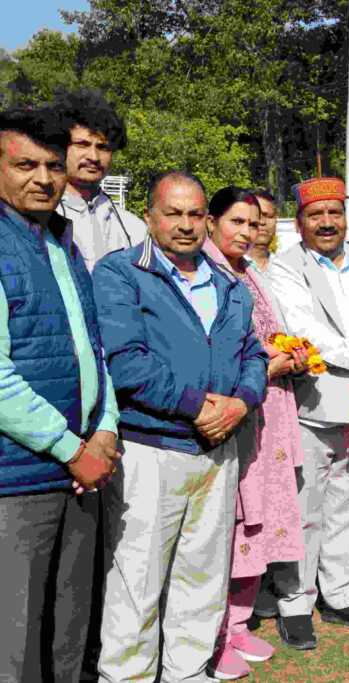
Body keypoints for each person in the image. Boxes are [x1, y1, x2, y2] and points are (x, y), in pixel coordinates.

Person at [93, 171, 268, 682]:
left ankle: (187, 672)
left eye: (195, 214)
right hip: (151, 447)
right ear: (150, 216)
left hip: (218, 449)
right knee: (137, 579)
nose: (185, 224)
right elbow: (126, 362)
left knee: (203, 576)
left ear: (207, 220)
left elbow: (254, 355)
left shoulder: (228, 283)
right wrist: (197, 407)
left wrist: (241, 403)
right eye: (173, 213)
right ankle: (126, 677)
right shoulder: (122, 272)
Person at [0, 106, 119, 682]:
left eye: (53, 165)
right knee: (16, 640)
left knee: (70, 631)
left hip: (79, 469)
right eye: (25, 165)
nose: (43, 179)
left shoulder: (61, 241)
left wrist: (106, 428)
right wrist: (72, 448)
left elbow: (93, 350)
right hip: (20, 476)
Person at [269, 176, 349, 649]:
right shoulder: (286, 267)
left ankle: (341, 595)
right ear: (299, 221)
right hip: (315, 405)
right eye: (316, 215)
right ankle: (295, 602)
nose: (327, 223)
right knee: (305, 509)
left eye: (334, 213)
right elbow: (306, 330)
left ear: (346, 218)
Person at [203, 187, 307, 679]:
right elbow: (214, 356)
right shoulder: (202, 272)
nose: (247, 231)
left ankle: (239, 624)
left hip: (271, 411)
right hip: (234, 412)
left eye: (254, 222)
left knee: (259, 521)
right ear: (210, 221)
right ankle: (212, 635)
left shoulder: (250, 272)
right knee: (230, 523)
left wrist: (292, 355)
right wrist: (270, 364)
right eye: (236, 222)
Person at [53, 89, 147, 271]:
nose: (93, 157)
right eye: (82, 145)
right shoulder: (41, 219)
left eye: (103, 147)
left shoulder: (133, 229)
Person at [248, 188, 279, 273]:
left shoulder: (285, 269)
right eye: (257, 215)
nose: (262, 222)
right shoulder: (226, 268)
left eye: (269, 216)